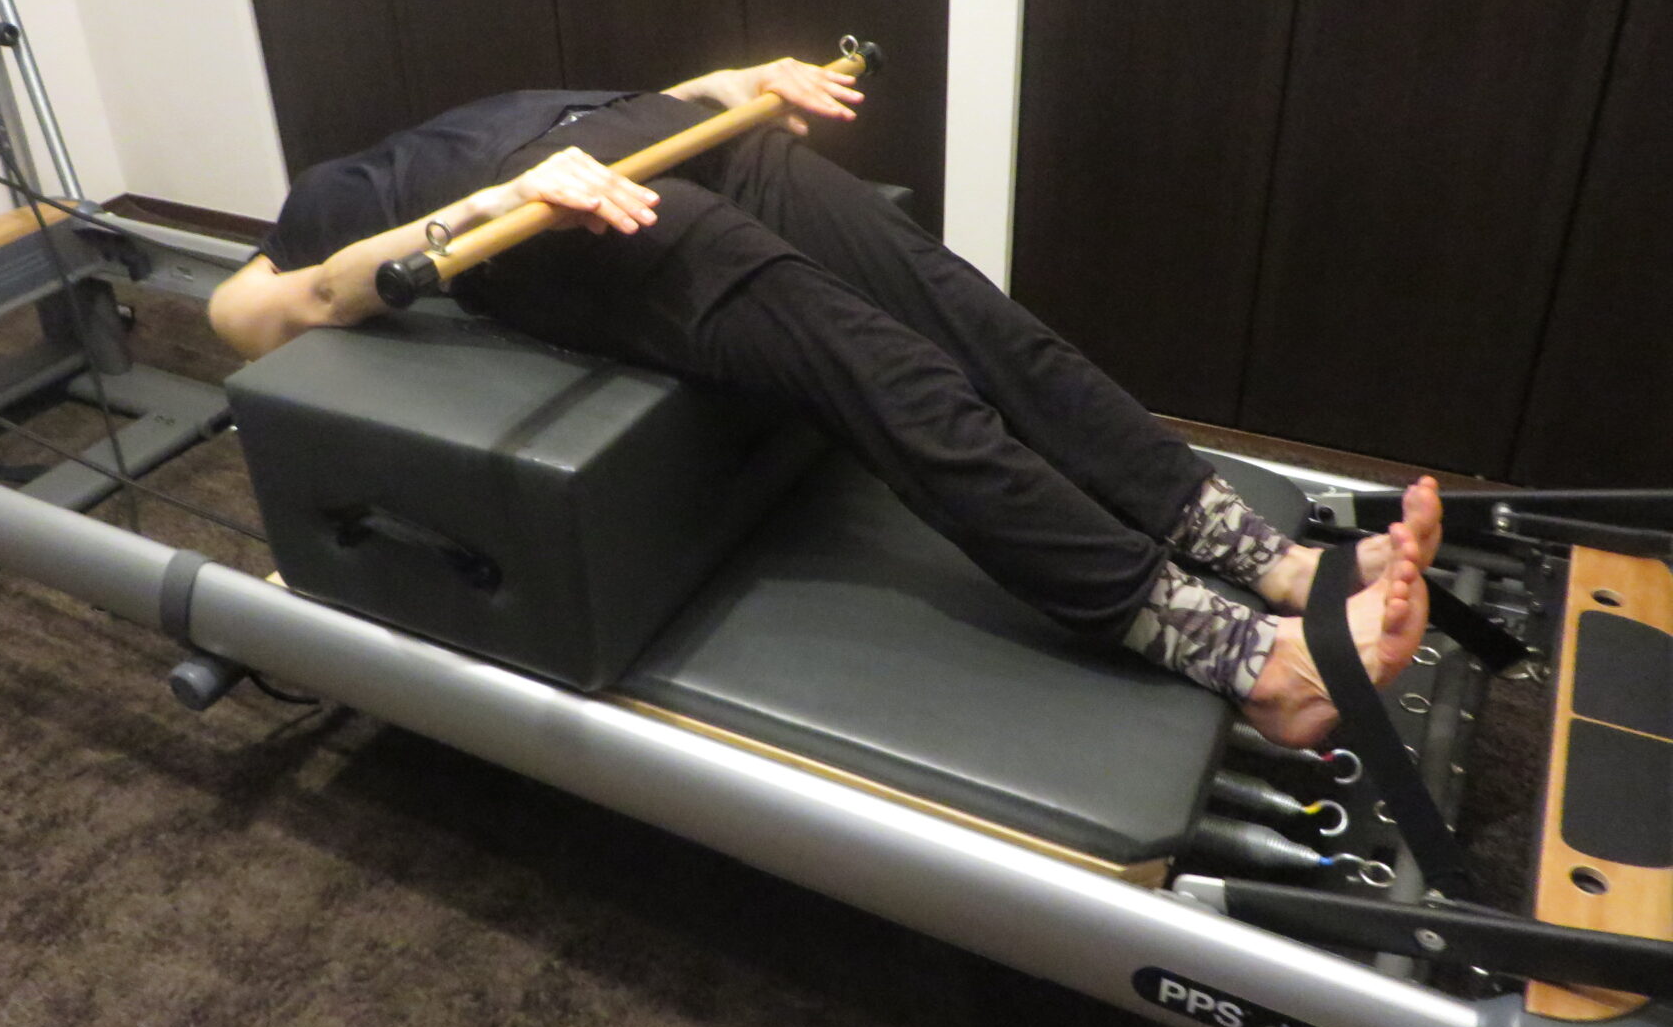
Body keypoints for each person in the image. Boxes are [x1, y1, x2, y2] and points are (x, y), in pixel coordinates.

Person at [209, 58, 1440, 748]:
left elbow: (624, 110)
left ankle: (1274, 563)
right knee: (881, 369)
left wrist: (735, 78)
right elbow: (252, 314)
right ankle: (1241, 658)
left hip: (668, 137)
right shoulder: (329, 199)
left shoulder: (477, 96)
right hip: (543, 220)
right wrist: (469, 213)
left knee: (976, 320)